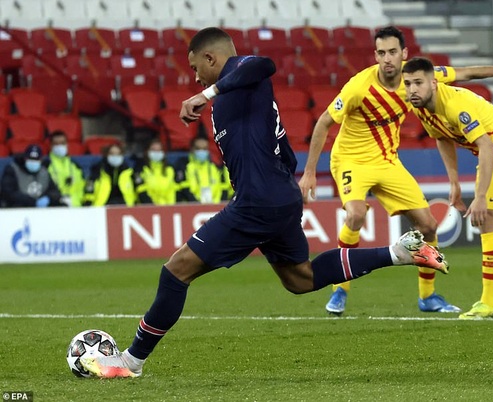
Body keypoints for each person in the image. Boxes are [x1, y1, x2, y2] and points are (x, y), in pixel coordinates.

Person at [79, 27, 448, 379]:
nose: (195, 78)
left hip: (258, 202)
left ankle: (130, 361)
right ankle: (399, 253)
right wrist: (280, 182)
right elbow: (284, 151)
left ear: (211, 58)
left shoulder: (243, 71)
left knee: (176, 271)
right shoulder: (235, 97)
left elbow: (264, 63)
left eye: (195, 68)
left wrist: (204, 96)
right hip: (275, 197)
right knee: (300, 279)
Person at [298, 25, 493, 316]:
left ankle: (429, 296)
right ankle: (340, 289)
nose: (387, 58)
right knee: (355, 214)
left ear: (404, 53)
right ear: (375, 55)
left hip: (388, 160)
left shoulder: (417, 79)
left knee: (428, 226)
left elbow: (467, 73)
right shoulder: (359, 87)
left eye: (393, 52)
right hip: (352, 160)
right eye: (381, 53)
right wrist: (310, 171)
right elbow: (324, 122)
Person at [402, 57, 493, 319]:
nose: (412, 89)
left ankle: (488, 302)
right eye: (407, 84)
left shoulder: (456, 106)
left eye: (418, 83)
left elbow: (486, 145)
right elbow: (441, 138)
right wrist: (454, 182)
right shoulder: (421, 107)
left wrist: (480, 196)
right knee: (492, 223)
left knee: (488, 219)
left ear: (434, 83)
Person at [0, 144, 65, 208]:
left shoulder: (44, 172)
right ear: (25, 158)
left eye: (36, 159)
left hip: (40, 209)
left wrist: (48, 197)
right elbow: (8, 193)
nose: (33, 162)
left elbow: (55, 192)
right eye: (30, 159)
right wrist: (32, 202)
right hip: (18, 208)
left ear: (41, 160)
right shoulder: (13, 170)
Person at [175, 136, 234, 204]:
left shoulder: (215, 167)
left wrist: (220, 204)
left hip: (216, 206)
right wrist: (197, 204)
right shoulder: (184, 166)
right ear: (192, 149)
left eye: (204, 149)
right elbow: (184, 188)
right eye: (198, 148)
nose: (201, 151)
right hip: (192, 206)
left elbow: (223, 187)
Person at [83, 142, 137, 206]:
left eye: (118, 154)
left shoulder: (129, 172)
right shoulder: (97, 170)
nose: (115, 156)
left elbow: (136, 191)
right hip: (102, 207)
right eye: (112, 154)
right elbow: (89, 192)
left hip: (126, 207)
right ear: (106, 155)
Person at [133, 138, 178, 205]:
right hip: (148, 208)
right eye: (153, 150)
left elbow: (174, 189)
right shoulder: (140, 168)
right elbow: (140, 190)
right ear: (147, 151)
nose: (156, 153)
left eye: (159, 150)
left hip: (169, 208)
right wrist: (153, 207)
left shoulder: (170, 169)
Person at [47, 130, 85, 207]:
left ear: (67, 145)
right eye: (56, 144)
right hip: (56, 206)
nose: (60, 146)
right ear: (51, 146)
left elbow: (82, 186)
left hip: (77, 206)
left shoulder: (75, 165)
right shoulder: (46, 165)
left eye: (62, 143)